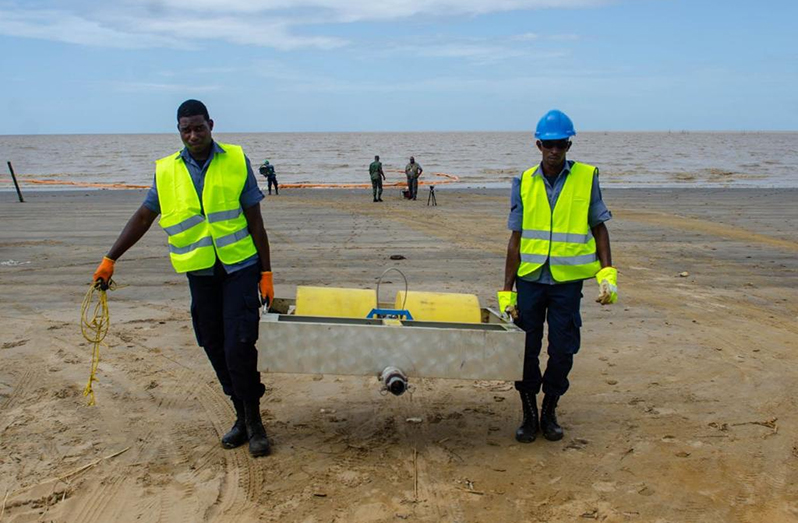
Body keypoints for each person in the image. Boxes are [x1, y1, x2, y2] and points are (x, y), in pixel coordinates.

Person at [91, 99, 274, 457]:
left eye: (199, 127)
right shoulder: (166, 170)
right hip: (201, 272)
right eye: (186, 129)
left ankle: (254, 422)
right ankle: (240, 413)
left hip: (240, 268)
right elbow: (144, 216)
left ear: (211, 125)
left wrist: (266, 272)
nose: (193, 135)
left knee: (239, 345)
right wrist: (110, 258)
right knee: (211, 342)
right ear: (179, 130)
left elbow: (255, 221)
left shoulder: (236, 159)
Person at [498, 109, 617, 444]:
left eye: (561, 144)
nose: (554, 150)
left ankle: (550, 408)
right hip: (531, 281)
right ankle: (528, 412)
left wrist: (607, 274)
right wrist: (506, 290)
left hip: (566, 283)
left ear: (569, 144)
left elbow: (599, 227)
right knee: (525, 349)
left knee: (563, 349)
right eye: (548, 144)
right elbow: (516, 239)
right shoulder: (524, 182)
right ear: (538, 145)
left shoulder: (586, 177)